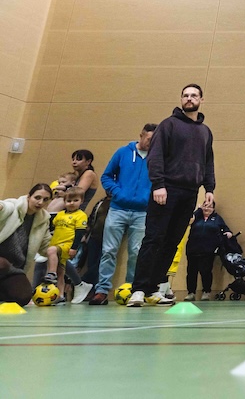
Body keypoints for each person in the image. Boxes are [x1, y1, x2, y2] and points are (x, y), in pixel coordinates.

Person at [128, 84, 215, 307]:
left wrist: (210, 189)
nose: (189, 98)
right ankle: (138, 289)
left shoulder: (205, 132)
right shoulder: (168, 125)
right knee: (153, 239)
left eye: (193, 95)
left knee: (172, 243)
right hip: (166, 191)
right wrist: (158, 185)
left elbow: (208, 162)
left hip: (190, 193)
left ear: (201, 100)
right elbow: (155, 157)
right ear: (181, 99)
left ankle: (154, 288)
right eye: (185, 95)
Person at [89, 124, 156, 304]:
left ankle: (132, 290)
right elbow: (106, 176)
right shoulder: (122, 152)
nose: (152, 143)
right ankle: (102, 290)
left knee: (136, 252)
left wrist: (148, 197)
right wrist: (117, 192)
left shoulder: (156, 157)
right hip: (118, 209)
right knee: (109, 250)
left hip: (142, 212)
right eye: (150, 139)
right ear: (141, 136)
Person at [0, 184, 53, 305]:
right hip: (1, 263)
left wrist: (61, 249)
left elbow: (46, 248)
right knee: (2, 264)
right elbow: (4, 207)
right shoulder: (13, 206)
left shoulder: (43, 220)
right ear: (29, 196)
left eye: (45, 200)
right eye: (37, 197)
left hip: (14, 268)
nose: (40, 202)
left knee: (23, 297)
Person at [44, 187, 87, 300]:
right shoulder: (60, 214)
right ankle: (60, 295)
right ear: (64, 202)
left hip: (67, 245)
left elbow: (79, 233)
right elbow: (51, 227)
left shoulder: (80, 215)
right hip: (56, 242)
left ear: (81, 201)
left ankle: (51, 273)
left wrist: (74, 248)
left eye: (75, 200)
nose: (72, 203)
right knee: (61, 272)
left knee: (51, 251)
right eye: (69, 201)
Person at [185, 200, 231, 301]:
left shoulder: (217, 219)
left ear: (213, 209)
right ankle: (191, 292)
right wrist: (198, 210)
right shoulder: (196, 217)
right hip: (192, 249)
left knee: (205, 271)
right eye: (205, 206)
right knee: (191, 272)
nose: (206, 209)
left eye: (209, 207)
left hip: (208, 250)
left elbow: (226, 229)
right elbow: (188, 221)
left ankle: (206, 292)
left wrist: (228, 233)